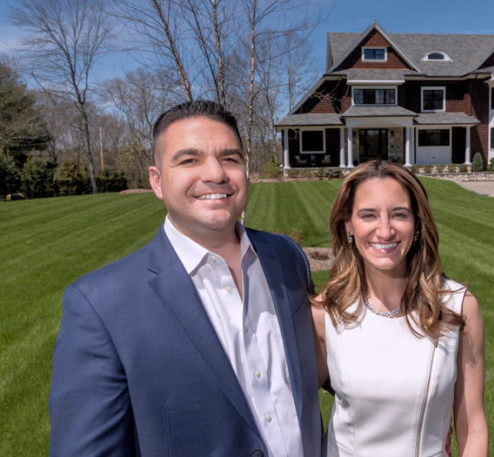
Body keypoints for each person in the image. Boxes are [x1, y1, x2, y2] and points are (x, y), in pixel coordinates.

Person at [49, 100, 322, 456]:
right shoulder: (102, 306)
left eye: (230, 158)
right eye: (189, 160)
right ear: (157, 181)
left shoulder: (286, 258)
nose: (215, 174)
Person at [311, 160, 488, 456]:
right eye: (368, 215)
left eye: (399, 215)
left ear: (417, 224)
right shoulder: (326, 310)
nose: (384, 230)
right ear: (348, 225)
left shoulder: (459, 308)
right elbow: (292, 412)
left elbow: (473, 426)